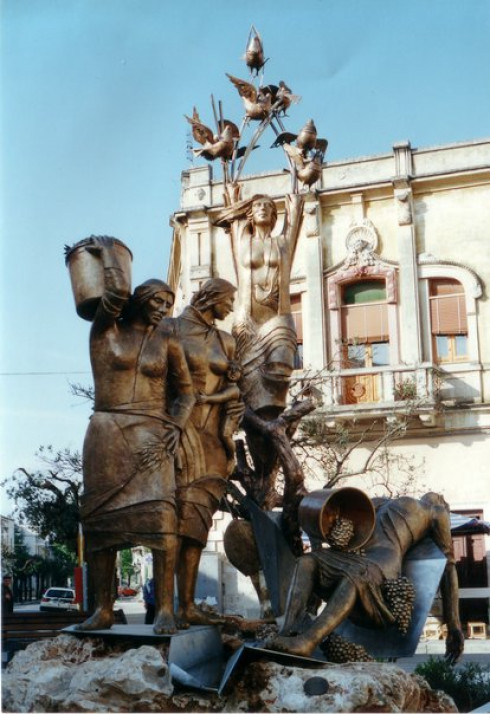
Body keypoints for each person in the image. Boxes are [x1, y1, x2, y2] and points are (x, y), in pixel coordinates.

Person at [76, 236, 195, 634]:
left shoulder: (168, 341)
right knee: (101, 525)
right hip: (107, 431)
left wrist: (176, 424)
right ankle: (104, 610)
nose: (164, 310)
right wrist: (109, 254)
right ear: (140, 299)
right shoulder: (105, 329)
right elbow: (111, 295)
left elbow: (187, 394)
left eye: (169, 304)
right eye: (158, 301)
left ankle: (164, 608)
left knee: (163, 518)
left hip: (152, 435)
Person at [268, 492, 464, 663]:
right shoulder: (383, 502)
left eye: (441, 498)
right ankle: (288, 631)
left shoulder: (436, 511)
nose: (436, 495)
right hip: (355, 554)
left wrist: (454, 624)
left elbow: (449, 568)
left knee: (357, 577)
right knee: (307, 561)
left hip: (383, 560)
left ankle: (308, 641)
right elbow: (351, 513)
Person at [165, 278, 243, 626]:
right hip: (179, 433)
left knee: (197, 521)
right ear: (212, 298)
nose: (230, 307)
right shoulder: (171, 329)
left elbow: (234, 388)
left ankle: (188, 606)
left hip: (213, 438)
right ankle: (167, 605)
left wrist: (225, 405)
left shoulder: (226, 341)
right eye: (228, 300)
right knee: (171, 518)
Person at [215, 185, 304, 417]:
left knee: (280, 372)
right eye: (257, 206)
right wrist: (232, 192)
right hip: (247, 319)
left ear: (275, 215)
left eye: (268, 206)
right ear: (250, 214)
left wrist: (300, 180)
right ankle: (260, 434)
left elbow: (295, 214)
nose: (262, 208)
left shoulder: (283, 243)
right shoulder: (242, 240)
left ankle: (275, 429)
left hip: (278, 318)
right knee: (248, 384)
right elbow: (231, 213)